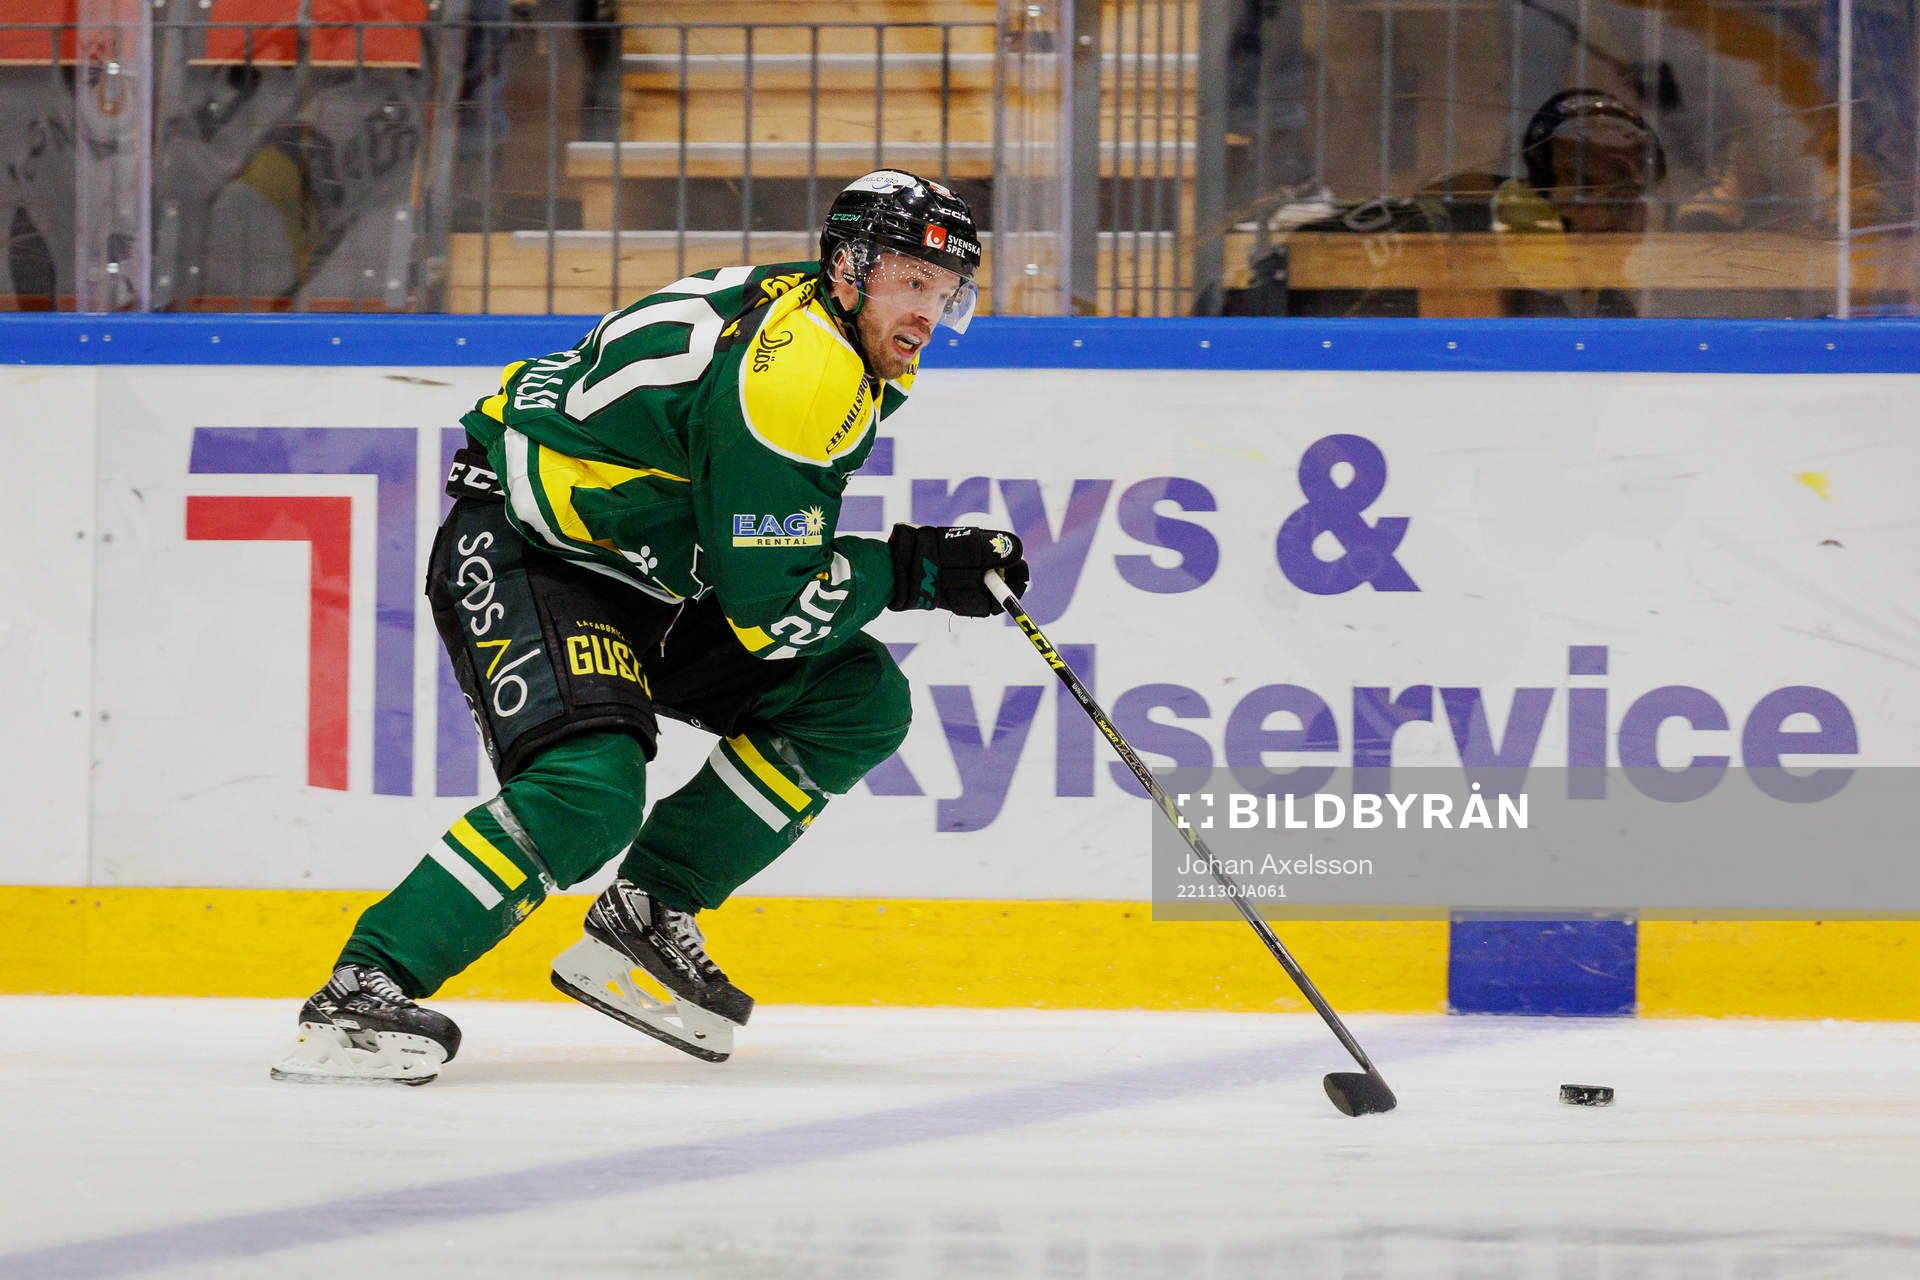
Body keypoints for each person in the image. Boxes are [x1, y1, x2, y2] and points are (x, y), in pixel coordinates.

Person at [271, 169, 1029, 1084]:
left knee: (852, 698)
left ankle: (647, 912)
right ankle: (361, 989)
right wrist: (910, 569)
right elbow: (775, 614)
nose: (926, 314)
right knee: (589, 790)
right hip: (534, 551)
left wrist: (911, 566)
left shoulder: (829, 327)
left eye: (944, 293)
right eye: (911, 282)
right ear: (849, 267)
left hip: (648, 568)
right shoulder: (798, 373)